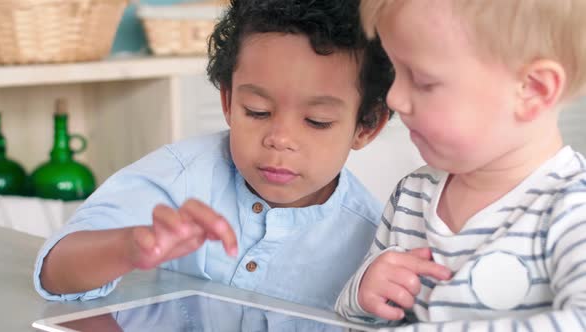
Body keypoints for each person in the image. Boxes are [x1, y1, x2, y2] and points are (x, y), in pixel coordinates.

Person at [33, 0, 393, 311]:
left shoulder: (373, 239)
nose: (280, 139)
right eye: (257, 111)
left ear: (366, 126)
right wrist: (128, 247)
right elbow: (55, 272)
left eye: (317, 121)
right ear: (228, 100)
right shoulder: (181, 177)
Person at [336, 0, 586, 330]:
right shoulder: (412, 195)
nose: (394, 98)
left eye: (423, 81)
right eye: (396, 73)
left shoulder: (573, 206)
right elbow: (355, 320)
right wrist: (363, 291)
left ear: (533, 90)